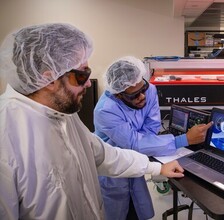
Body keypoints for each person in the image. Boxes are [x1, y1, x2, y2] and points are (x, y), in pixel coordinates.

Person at [0, 23, 185, 220]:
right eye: (82, 75)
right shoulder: (7, 135)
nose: (89, 82)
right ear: (50, 78)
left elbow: (103, 155)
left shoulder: (63, 115)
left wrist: (157, 168)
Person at [93, 56, 213, 220]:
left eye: (143, 89)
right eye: (134, 95)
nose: (142, 96)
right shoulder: (106, 110)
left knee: (137, 208)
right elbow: (135, 143)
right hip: (113, 169)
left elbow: (151, 126)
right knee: (117, 212)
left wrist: (146, 144)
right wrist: (183, 140)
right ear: (119, 95)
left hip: (137, 160)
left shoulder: (149, 90)